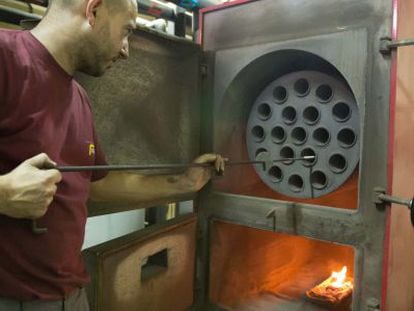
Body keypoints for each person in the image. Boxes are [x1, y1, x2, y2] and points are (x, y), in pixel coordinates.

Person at [0, 0, 225, 309]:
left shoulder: (78, 95)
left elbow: (95, 185)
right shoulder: (6, 58)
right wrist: (3, 195)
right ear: (93, 10)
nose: (126, 50)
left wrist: (183, 183)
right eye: (126, 31)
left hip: (71, 293)